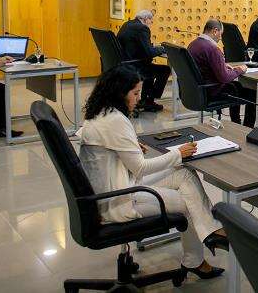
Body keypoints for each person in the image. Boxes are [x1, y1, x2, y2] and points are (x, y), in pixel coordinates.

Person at [77, 65, 227, 279]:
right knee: (190, 204)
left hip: (110, 189)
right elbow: (140, 167)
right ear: (119, 93)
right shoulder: (115, 120)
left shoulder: (99, 113)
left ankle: (210, 232)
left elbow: (101, 142)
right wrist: (178, 153)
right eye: (135, 93)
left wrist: (129, 145)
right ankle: (198, 255)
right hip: (119, 200)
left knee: (184, 173)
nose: (139, 98)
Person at [188, 19, 256, 127]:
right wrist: (240, 69)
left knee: (236, 86)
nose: (221, 38)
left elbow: (205, 66)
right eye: (221, 34)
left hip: (198, 90)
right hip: (213, 92)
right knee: (252, 93)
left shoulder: (193, 44)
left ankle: (236, 123)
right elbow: (225, 78)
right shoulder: (212, 48)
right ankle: (247, 128)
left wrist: (222, 65)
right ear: (215, 31)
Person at [117, 9, 170, 112]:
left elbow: (137, 45)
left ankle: (146, 100)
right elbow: (149, 52)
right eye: (151, 21)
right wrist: (163, 49)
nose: (151, 24)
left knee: (150, 68)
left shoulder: (127, 24)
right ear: (146, 19)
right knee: (165, 70)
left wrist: (152, 48)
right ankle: (149, 100)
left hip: (125, 63)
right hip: (134, 66)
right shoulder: (142, 28)